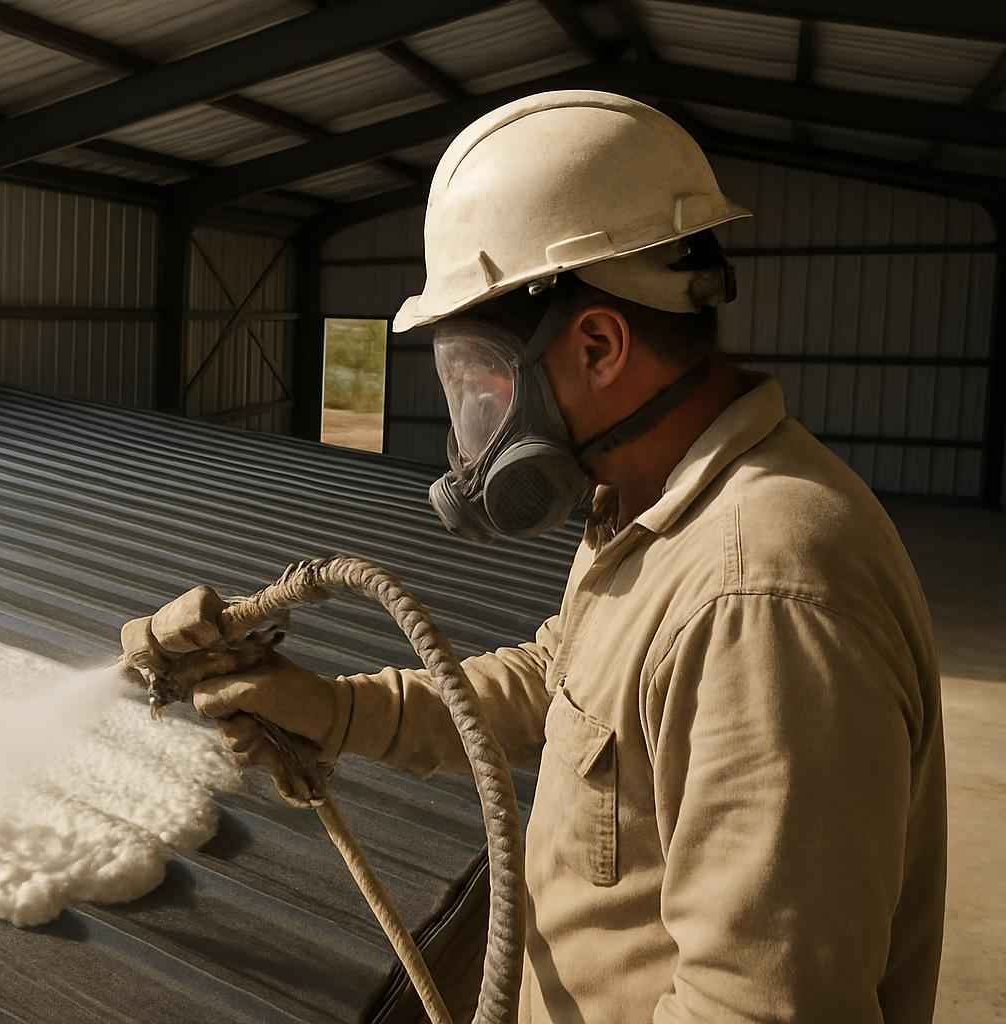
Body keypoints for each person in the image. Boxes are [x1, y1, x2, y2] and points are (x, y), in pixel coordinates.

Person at [121, 91, 946, 1023]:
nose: (472, 425)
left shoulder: (758, 590)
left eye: (482, 375)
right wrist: (337, 711)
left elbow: (759, 1006)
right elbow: (559, 683)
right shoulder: (649, 508)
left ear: (598, 343)